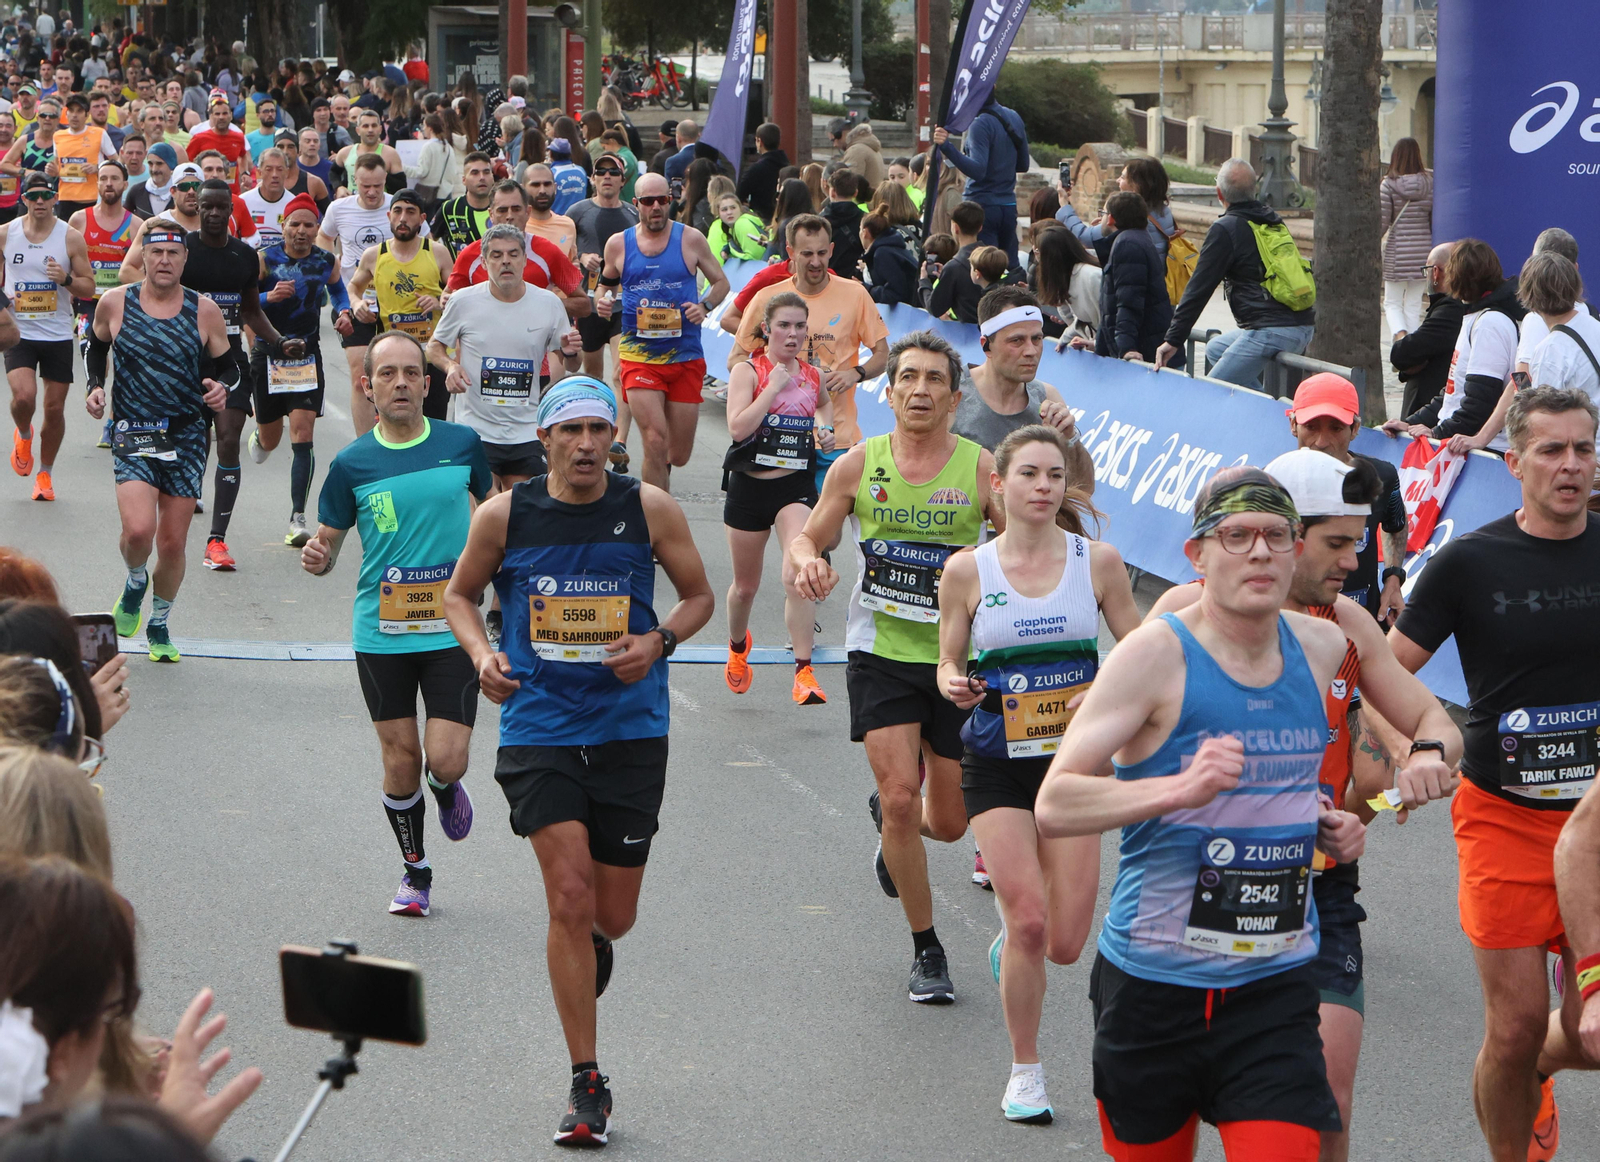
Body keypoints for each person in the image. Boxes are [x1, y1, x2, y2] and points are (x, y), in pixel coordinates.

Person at [1034, 465, 1367, 1161]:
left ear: (1296, 550)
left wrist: (1326, 821)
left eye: (1277, 536)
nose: (1259, 552)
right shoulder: (1152, 656)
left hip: (1272, 986)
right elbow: (1057, 802)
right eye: (1237, 535)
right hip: (1154, 988)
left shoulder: (1324, 650)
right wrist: (1176, 790)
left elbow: (1295, 785)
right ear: (1198, 555)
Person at [1145, 447, 1460, 1162]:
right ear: (1284, 534)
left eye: (1360, 541)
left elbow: (1435, 722)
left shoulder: (1344, 624)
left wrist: (1429, 757)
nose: (1355, 560)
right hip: (1194, 885)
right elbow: (1114, 748)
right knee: (1183, 1103)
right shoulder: (1179, 616)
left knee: (1325, 1098)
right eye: (1338, 542)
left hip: (1317, 887)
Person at [440, 376, 713, 1146]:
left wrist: (658, 641)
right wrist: (484, 654)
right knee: (568, 895)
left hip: (631, 727)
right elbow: (460, 596)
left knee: (611, 917)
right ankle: (585, 1081)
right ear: (546, 440)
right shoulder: (505, 514)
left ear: (612, 439)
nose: (587, 443)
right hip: (540, 724)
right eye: (572, 431)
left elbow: (698, 598)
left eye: (599, 429)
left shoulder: (648, 509)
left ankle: (590, 940)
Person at [1390, 386, 1600, 1162]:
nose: (1570, 465)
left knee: (1588, 1032)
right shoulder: (1468, 562)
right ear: (1513, 463)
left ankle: (1542, 1065)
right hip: (1504, 817)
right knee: (1510, 1030)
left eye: (1584, 448)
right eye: (1551, 450)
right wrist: (1414, 747)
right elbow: (1385, 672)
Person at [791, 330, 1004, 1003]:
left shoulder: (979, 468)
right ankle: (927, 948)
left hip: (955, 661)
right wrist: (808, 563)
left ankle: (890, 823)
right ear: (888, 393)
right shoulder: (858, 465)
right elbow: (808, 534)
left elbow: (1023, 539)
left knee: (949, 822)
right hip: (879, 653)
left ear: (953, 395)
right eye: (907, 377)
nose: (918, 389)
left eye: (933, 380)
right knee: (906, 802)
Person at [937, 423, 1139, 1122]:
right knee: (1028, 920)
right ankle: (1026, 1070)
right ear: (999, 484)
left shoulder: (1099, 564)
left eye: (1055, 475)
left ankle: (1012, 944)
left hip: (1076, 766)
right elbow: (947, 662)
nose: (1043, 487)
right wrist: (954, 684)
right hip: (996, 763)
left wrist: (1106, 678)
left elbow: (1143, 654)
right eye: (1029, 475)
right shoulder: (969, 570)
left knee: (1063, 942)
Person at [301, 330, 490, 916]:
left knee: (446, 759)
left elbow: (494, 515)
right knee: (400, 758)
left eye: (412, 373)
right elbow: (328, 541)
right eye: (388, 374)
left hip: (451, 627)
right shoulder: (352, 463)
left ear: (427, 385)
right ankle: (415, 872)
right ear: (368, 386)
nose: (401, 382)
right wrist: (318, 554)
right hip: (381, 631)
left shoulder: (462, 445)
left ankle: (446, 787)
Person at [85, 217, 238, 661]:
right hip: (133, 431)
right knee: (138, 531)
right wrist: (96, 386)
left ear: (185, 259)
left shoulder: (203, 309)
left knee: (172, 543)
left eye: (174, 253)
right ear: (144, 257)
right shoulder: (115, 303)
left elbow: (230, 365)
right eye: (157, 252)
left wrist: (220, 386)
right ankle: (136, 582)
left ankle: (159, 623)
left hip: (187, 436)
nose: (165, 260)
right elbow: (96, 346)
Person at [720, 292, 835, 704]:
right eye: (784, 325)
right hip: (750, 486)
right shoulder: (748, 371)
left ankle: (804, 672)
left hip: (794, 486)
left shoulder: (813, 374)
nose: (792, 334)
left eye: (800, 326)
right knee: (745, 587)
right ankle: (737, 649)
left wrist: (825, 428)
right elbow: (737, 429)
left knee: (796, 575)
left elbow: (823, 406)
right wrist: (771, 389)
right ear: (767, 329)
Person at [185, 177, 295, 571]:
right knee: (195, 440)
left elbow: (250, 311)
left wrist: (280, 342)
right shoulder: (182, 252)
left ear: (232, 211)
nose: (214, 213)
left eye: (221, 207)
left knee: (228, 438)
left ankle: (217, 540)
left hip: (229, 359)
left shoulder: (246, 257)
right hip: (186, 360)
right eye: (207, 206)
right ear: (197, 207)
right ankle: (179, 513)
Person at [595, 172, 727, 491]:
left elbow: (722, 283)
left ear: (670, 200)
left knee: (677, 454)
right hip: (638, 356)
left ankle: (663, 475)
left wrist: (705, 306)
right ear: (636, 204)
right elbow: (604, 288)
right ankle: (656, 519)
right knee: (654, 439)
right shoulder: (618, 244)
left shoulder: (690, 239)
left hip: (684, 355)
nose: (656, 207)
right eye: (648, 201)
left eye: (663, 200)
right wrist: (603, 301)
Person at [429, 221, 582, 492]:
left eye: (513, 254)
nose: (506, 261)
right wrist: (451, 366)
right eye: (497, 255)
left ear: (525, 260)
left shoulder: (548, 304)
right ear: (484, 262)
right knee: (487, 508)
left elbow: (572, 363)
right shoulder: (463, 301)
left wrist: (572, 352)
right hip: (476, 428)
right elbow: (434, 347)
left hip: (526, 428)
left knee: (520, 510)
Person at [733, 213, 889, 455]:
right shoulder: (767, 298)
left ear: (832, 250)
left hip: (835, 438)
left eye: (822, 253)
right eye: (807, 254)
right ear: (791, 252)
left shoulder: (855, 295)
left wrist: (856, 373)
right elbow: (737, 359)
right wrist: (770, 385)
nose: (816, 262)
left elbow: (883, 354)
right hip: (776, 435)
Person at [248, 192, 353, 546]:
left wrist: (343, 314)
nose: (302, 231)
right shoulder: (264, 260)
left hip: (306, 355)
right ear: (283, 226)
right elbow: (245, 303)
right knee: (270, 439)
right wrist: (268, 297)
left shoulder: (326, 260)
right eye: (295, 224)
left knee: (302, 434)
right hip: (269, 353)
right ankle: (260, 436)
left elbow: (339, 294)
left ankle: (297, 516)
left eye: (310, 224)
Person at [1155, 158, 1316, 389]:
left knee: (1211, 388)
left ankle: (1268, 414)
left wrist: (1172, 340)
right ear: (1254, 190)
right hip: (1302, 325)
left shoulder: (1225, 229)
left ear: (1220, 193)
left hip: (1271, 330)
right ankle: (1262, 405)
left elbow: (1198, 289)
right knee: (1215, 349)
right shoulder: (1270, 220)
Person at [1381, 237, 1521, 453]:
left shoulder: (1489, 324)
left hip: (1482, 452)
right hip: (1459, 444)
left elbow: (1480, 404)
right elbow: (1453, 394)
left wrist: (1437, 432)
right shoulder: (1474, 317)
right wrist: (1411, 424)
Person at [4, 172, 93, 502]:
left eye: (46, 195)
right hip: (20, 332)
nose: (40, 201)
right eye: (33, 196)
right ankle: (24, 433)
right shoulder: (7, 234)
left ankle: (45, 474)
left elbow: (89, 286)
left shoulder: (70, 237)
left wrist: (66, 278)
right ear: (24, 199)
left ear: (56, 198)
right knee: (24, 398)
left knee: (54, 410)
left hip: (56, 334)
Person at [954, 288, 1093, 488]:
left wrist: (1069, 438)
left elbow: (1083, 489)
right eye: (1016, 340)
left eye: (1036, 339)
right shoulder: (952, 393)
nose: (1030, 351)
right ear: (986, 346)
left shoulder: (1047, 397)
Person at [349, 189, 452, 424]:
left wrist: (438, 302)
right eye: (397, 211)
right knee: (393, 421)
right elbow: (353, 286)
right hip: (390, 354)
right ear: (389, 216)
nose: (403, 218)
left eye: (410, 212)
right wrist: (357, 303)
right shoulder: (374, 255)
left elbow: (456, 292)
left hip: (431, 353)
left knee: (433, 422)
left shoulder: (436, 252)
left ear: (422, 219)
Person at [316, 153, 397, 437]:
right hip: (353, 300)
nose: (372, 192)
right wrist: (331, 263)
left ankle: (395, 431)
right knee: (359, 376)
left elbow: (425, 242)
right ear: (355, 182)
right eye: (365, 186)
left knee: (395, 374)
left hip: (396, 303)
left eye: (377, 185)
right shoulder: (339, 209)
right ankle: (366, 445)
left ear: (385, 181)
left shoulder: (397, 207)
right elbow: (324, 237)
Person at [66, 160, 134, 448]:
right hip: (87, 302)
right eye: (103, 178)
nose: (108, 183)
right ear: (97, 184)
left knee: (124, 363)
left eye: (114, 179)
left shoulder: (136, 225)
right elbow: (65, 258)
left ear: (124, 184)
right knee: (91, 352)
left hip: (121, 304)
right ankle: (95, 387)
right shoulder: (79, 220)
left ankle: (113, 421)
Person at [930, 98, 1027, 268]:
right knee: (1011, 269)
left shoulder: (979, 124)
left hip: (981, 207)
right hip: (1008, 205)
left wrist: (947, 146)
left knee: (983, 269)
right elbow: (1023, 164)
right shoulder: (1014, 117)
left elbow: (978, 171)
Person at [1085, 191, 1175, 366]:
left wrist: (1126, 349)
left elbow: (1128, 302)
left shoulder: (1128, 244)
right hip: (1144, 350)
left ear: (1110, 219)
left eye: (1102, 214)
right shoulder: (1134, 239)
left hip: (1144, 356)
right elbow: (1110, 308)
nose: (1101, 220)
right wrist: (1099, 345)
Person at [1389, 241, 1462, 421]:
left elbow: (1401, 354)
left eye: (1427, 270)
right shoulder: (1451, 307)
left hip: (1430, 412)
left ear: (1436, 272)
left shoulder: (1451, 309)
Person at [1055, 155, 1176, 262]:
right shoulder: (1164, 210)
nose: (1118, 180)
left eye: (1123, 177)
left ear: (1137, 185)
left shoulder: (1129, 214)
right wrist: (1107, 225)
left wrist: (1065, 205)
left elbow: (1084, 237)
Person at [1380, 138, 1433, 340]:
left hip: (1397, 253)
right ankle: (1411, 350)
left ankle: (1401, 337)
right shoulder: (1430, 183)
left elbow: (1383, 222)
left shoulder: (1388, 185)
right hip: (1423, 252)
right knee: (1413, 303)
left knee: (1392, 302)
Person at [50, 93, 117, 221]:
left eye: (79, 111)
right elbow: (57, 166)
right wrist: (52, 171)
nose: (75, 115)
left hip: (91, 198)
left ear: (87, 115)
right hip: (66, 198)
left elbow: (116, 161)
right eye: (71, 111)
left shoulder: (99, 133)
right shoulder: (58, 136)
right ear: (66, 113)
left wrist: (98, 168)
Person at [919, 199, 985, 325]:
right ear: (980, 227)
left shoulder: (954, 267)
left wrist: (924, 281)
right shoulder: (993, 256)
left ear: (955, 228)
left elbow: (935, 308)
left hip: (969, 335)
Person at [429, 149, 493, 255]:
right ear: (464, 180)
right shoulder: (449, 209)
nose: (482, 178)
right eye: (475, 173)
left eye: (486, 172)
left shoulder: (503, 207)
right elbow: (429, 242)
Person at [182, 93, 245, 192]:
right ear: (211, 116)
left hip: (232, 193)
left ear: (231, 116)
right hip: (206, 192)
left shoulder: (239, 137)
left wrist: (245, 173)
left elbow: (244, 155)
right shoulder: (199, 138)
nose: (221, 117)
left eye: (225, 113)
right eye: (217, 114)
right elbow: (187, 163)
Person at [334, 107, 404, 196]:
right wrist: (338, 187)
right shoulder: (345, 152)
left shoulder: (390, 154)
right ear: (358, 130)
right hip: (352, 205)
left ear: (380, 129)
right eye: (365, 126)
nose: (370, 130)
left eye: (374, 126)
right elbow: (333, 173)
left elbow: (401, 186)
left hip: (379, 206)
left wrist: (381, 174)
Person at [860, 211, 919, 307]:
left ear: (865, 233)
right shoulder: (891, 248)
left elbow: (895, 293)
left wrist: (865, 288)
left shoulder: (882, 254)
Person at [523, 162, 578, 260]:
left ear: (555, 188)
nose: (542, 190)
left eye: (547, 184)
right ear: (523, 189)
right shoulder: (517, 227)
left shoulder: (567, 225)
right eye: (536, 185)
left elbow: (572, 265)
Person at [737, 122, 787, 224]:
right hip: (785, 218)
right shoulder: (787, 165)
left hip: (762, 220)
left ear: (759, 141)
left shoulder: (755, 169)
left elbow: (739, 195)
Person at [819, 167, 863, 279]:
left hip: (826, 278)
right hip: (854, 279)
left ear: (832, 192)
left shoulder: (820, 221)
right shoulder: (864, 219)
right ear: (855, 193)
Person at [707, 192, 764, 264]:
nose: (729, 212)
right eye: (724, 209)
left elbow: (756, 257)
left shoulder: (741, 224)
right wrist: (728, 248)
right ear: (719, 214)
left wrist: (732, 254)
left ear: (740, 209)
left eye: (733, 208)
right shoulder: (732, 228)